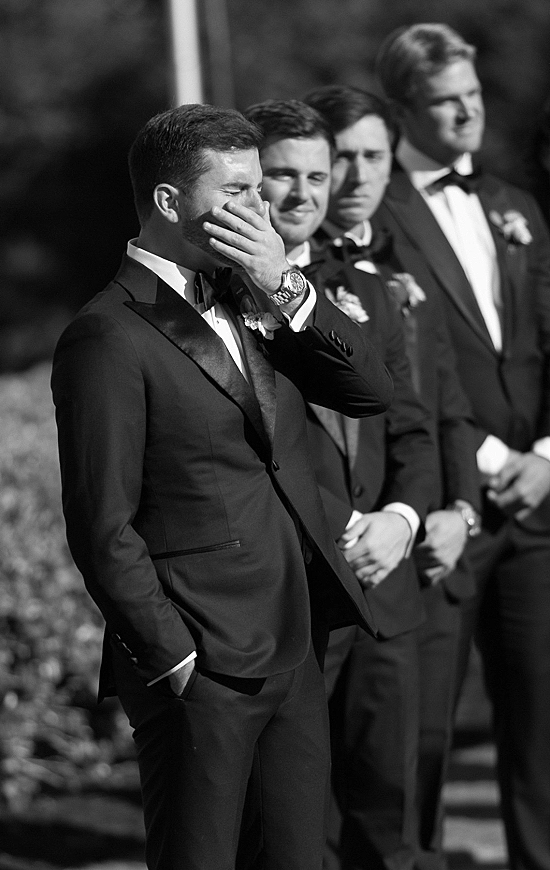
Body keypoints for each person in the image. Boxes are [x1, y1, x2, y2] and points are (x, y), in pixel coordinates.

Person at [51, 103, 394, 870]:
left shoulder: (251, 291)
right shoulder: (106, 334)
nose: (261, 208)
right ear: (170, 202)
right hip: (200, 663)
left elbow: (372, 389)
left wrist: (282, 279)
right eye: (238, 191)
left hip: (294, 644)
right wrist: (174, 658)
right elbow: (101, 523)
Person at [244, 97, 442, 870]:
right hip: (293, 604)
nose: (304, 194)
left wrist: (401, 517)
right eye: (281, 176)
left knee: (389, 828)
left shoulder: (370, 289)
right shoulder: (216, 300)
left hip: (385, 595)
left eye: (317, 177)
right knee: (294, 831)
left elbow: (414, 428)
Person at [375, 23, 550, 870]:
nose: (469, 113)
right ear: (406, 107)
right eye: (448, 100)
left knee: (545, 731)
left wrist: (547, 456)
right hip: (451, 501)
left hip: (540, 500)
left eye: (475, 96)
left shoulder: (517, 206)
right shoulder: (379, 216)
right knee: (425, 733)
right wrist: (485, 465)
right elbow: (402, 371)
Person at [302, 83, 481, 870]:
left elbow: (432, 411)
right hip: (306, 584)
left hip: (398, 568)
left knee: (396, 804)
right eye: (343, 157)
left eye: (375, 156)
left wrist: (432, 513)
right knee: (303, 818)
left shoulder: (398, 273)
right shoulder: (270, 277)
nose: (359, 174)